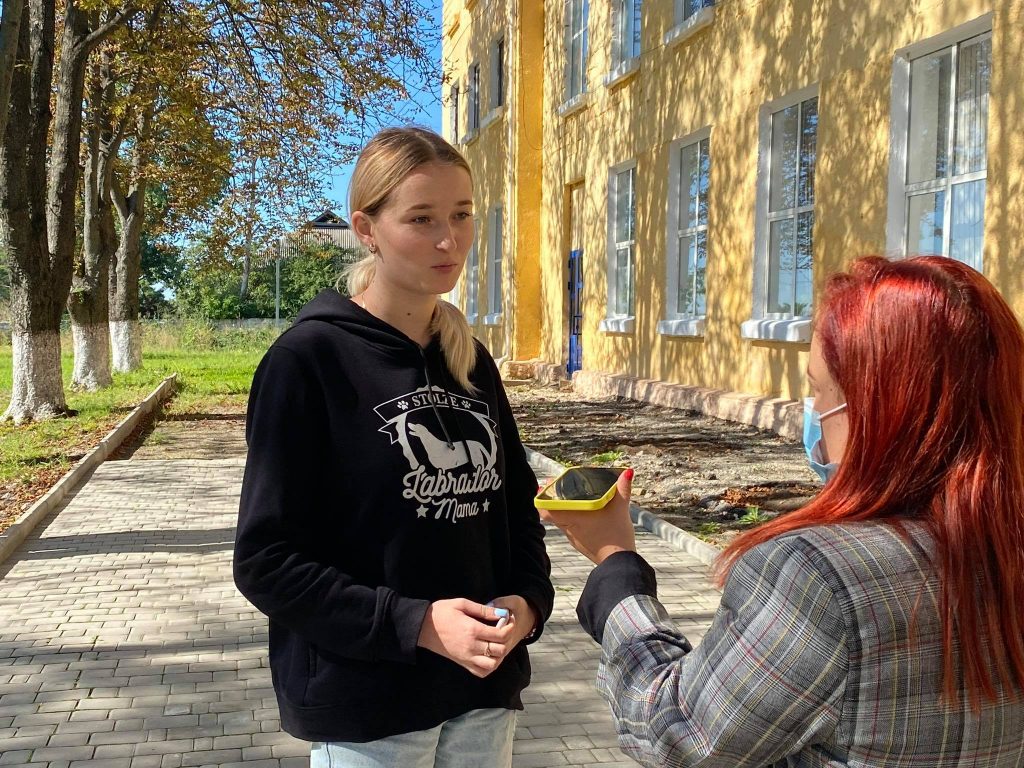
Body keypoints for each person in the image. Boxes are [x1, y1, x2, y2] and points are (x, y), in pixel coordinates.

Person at [541, 255, 1024, 766]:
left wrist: (617, 571)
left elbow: (680, 737)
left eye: (817, 389)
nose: (811, 412)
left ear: (880, 407)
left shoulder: (820, 575)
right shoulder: (1002, 550)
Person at [233, 126, 554, 768]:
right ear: (367, 229)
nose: (449, 239)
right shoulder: (308, 361)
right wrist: (417, 624)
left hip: (483, 693)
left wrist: (528, 603)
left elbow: (516, 513)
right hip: (368, 703)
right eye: (421, 218)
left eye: (462, 215)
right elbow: (265, 561)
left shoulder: (471, 362)